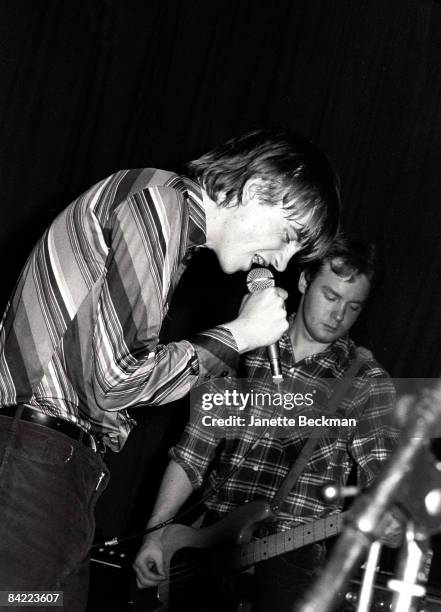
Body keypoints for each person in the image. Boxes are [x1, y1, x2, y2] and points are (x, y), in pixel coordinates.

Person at [0, 128, 340, 610]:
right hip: (36, 461)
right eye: (288, 236)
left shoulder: (168, 222)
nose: (283, 261)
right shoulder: (160, 203)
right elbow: (117, 382)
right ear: (257, 188)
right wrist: (238, 335)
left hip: (56, 467)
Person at [133, 235, 399, 612]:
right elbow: (193, 452)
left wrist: (392, 516)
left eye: (353, 306)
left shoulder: (365, 381)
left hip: (291, 561)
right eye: (331, 296)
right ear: (305, 281)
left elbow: (383, 475)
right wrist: (155, 535)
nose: (339, 315)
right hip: (209, 547)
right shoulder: (246, 344)